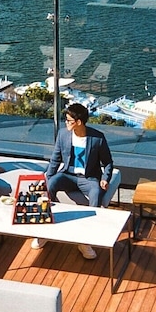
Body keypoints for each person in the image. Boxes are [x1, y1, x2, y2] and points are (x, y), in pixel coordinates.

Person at [33, 102, 114, 259]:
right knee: (51, 184)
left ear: (79, 122)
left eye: (69, 120)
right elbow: (55, 159)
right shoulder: (63, 134)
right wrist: (48, 177)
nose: (66, 123)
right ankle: (45, 230)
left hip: (89, 178)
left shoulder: (97, 138)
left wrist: (105, 178)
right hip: (67, 175)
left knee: (96, 193)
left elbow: (108, 162)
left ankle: (85, 240)